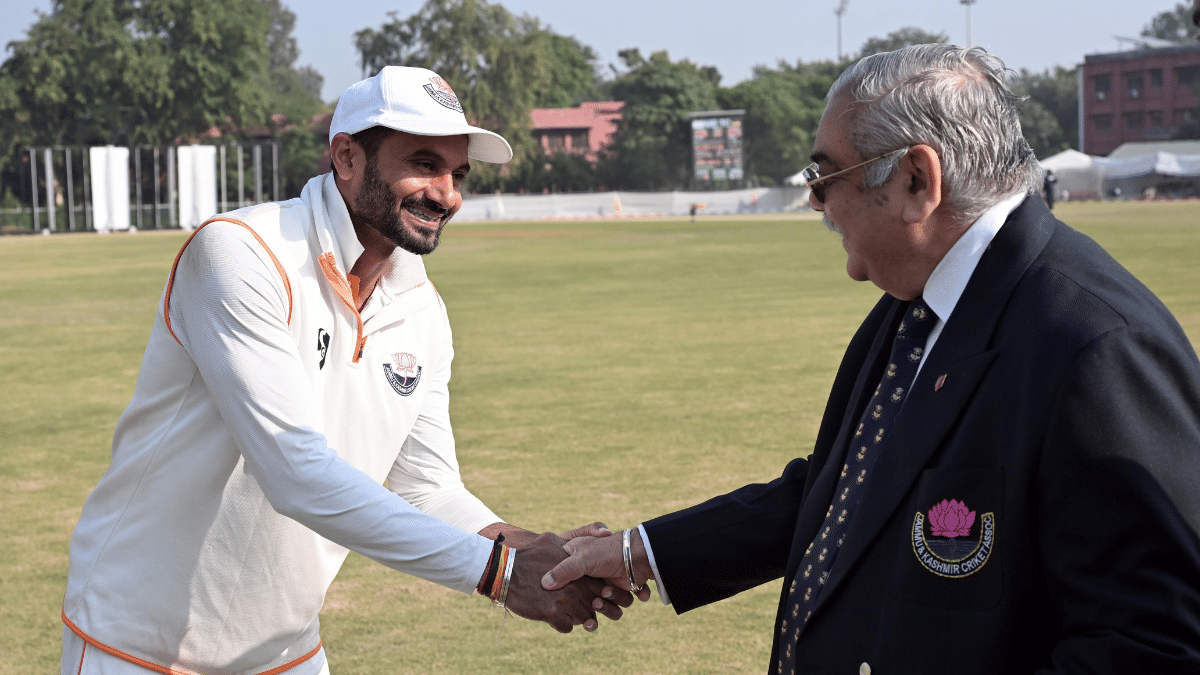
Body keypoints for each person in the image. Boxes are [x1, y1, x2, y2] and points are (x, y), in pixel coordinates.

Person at [543, 44, 1200, 674]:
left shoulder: (1096, 345)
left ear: (916, 179)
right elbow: (841, 490)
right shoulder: (917, 303)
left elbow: (1151, 644)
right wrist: (641, 551)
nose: (814, 200)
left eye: (826, 176)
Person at [61, 66, 629, 675]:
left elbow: (425, 487)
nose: (446, 194)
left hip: (285, 650)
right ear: (348, 157)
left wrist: (529, 549)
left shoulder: (422, 309)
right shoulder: (241, 252)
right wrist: (499, 575)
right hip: (137, 646)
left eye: (457, 174)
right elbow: (294, 473)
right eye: (424, 163)